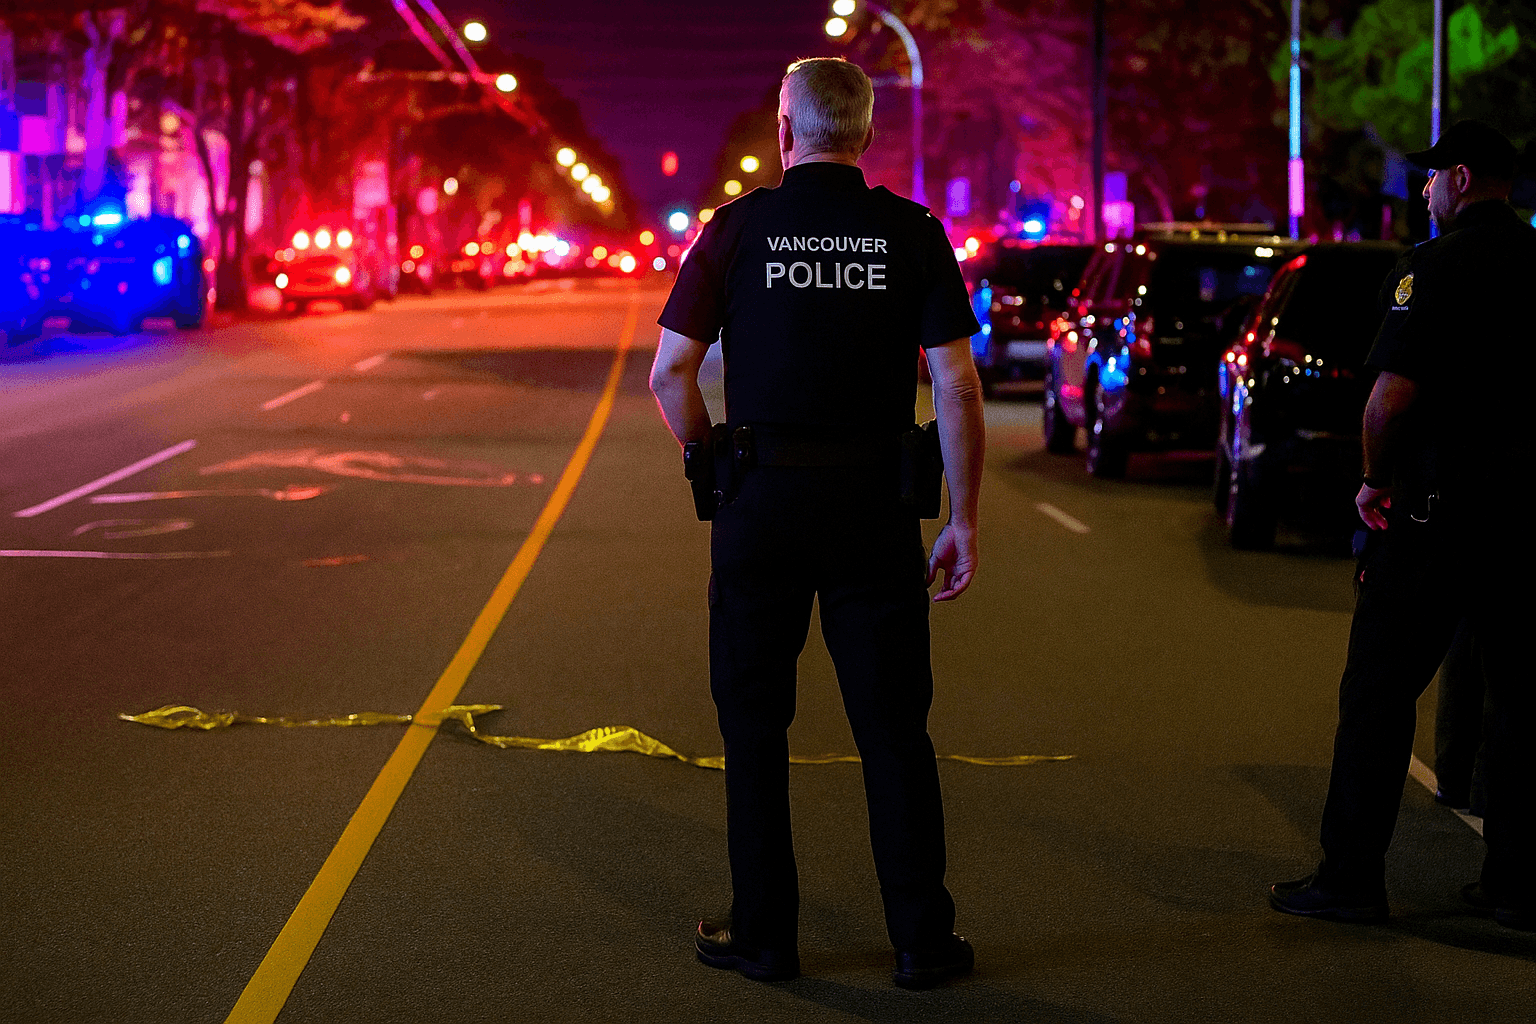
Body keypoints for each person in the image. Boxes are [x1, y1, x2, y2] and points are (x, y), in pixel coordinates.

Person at [648, 56, 986, 987]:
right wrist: (964, 517)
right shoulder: (911, 233)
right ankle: (922, 941)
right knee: (894, 730)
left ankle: (767, 934)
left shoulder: (738, 229)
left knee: (755, 728)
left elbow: (671, 374)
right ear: (866, 135)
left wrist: (708, 454)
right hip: (876, 511)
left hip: (761, 505)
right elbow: (955, 381)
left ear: (786, 134)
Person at [1269, 120, 1534, 930]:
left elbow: (1391, 396)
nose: (1422, 191)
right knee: (1522, 706)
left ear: (1459, 177)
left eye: (1428, 179)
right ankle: (1517, 886)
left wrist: (1372, 481)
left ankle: (1350, 877)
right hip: (1525, 523)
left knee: (1379, 695)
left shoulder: (1435, 267)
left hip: (1435, 517)